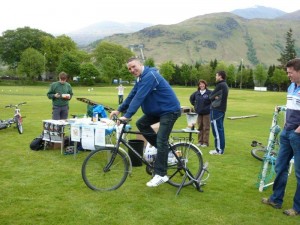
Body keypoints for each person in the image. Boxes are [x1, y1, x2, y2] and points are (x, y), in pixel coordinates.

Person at [110, 57, 181, 187]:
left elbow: (139, 97)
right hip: (157, 111)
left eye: (133, 66)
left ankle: (161, 174)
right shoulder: (141, 78)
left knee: (161, 139)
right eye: (129, 68)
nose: (131, 70)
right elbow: (132, 95)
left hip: (169, 111)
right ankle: (163, 152)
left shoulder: (150, 76)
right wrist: (119, 110)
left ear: (140, 64)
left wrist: (127, 115)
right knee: (141, 124)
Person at [262, 58, 300, 216]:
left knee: (299, 173)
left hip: (298, 135)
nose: (288, 75)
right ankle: (276, 199)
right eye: (288, 72)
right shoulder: (291, 86)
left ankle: (297, 208)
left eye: (291, 72)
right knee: (280, 166)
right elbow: (290, 108)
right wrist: (285, 125)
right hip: (286, 133)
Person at [209, 70, 229, 155]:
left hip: (216, 109)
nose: (215, 77)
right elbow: (215, 96)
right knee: (220, 129)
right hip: (222, 109)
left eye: (216, 75)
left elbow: (211, 96)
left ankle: (219, 150)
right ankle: (220, 148)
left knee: (217, 130)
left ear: (220, 76)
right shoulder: (225, 85)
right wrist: (215, 97)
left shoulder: (220, 85)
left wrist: (214, 97)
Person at [189, 79, 212, 147]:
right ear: (199, 85)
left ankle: (205, 142)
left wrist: (209, 107)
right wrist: (195, 105)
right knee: (200, 127)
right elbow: (191, 99)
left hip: (206, 113)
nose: (201, 85)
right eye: (200, 84)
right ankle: (199, 141)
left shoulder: (209, 93)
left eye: (203, 84)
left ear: (205, 85)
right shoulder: (196, 93)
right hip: (199, 113)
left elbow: (213, 100)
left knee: (206, 127)